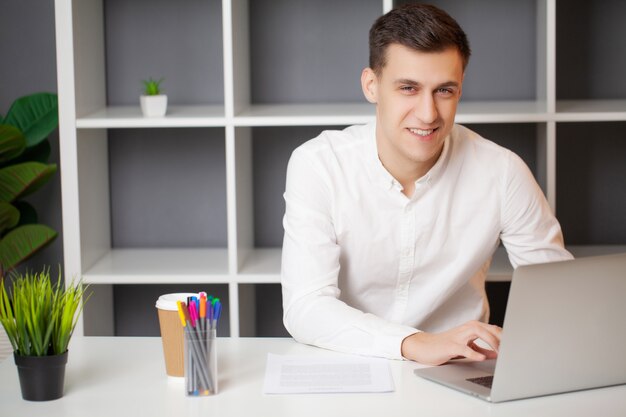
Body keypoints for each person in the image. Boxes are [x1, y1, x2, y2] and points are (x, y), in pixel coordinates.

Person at [280, 3, 573, 366]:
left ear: (460, 90)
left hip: (462, 369)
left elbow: (561, 297)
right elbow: (305, 307)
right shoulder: (319, 164)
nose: (428, 113)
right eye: (408, 88)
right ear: (371, 86)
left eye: (444, 91)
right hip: (351, 362)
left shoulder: (503, 172)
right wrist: (415, 343)